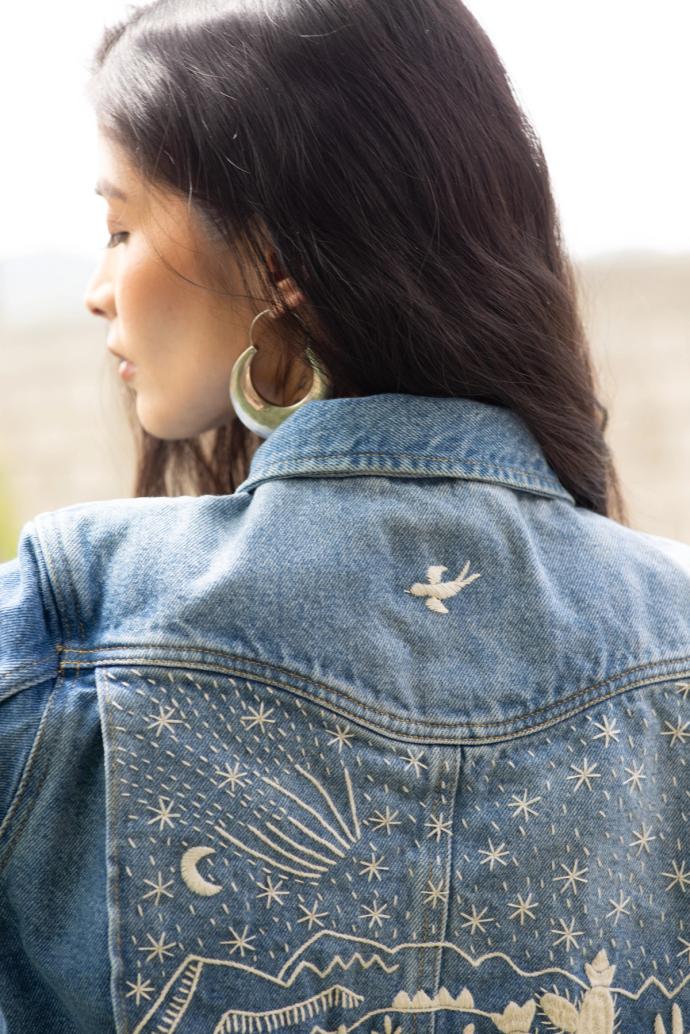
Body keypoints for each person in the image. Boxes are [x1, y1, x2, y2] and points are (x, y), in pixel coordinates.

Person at [1, 0, 689, 1031]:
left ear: (277, 257)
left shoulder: (74, 615)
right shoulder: (674, 625)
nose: (100, 287)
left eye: (120, 225)